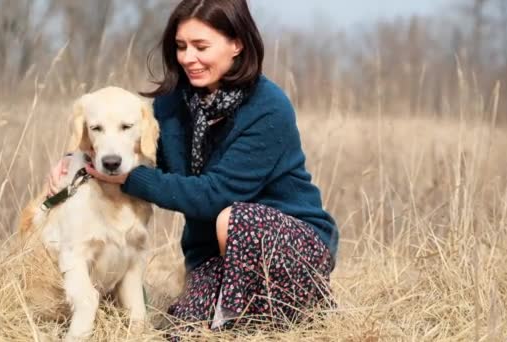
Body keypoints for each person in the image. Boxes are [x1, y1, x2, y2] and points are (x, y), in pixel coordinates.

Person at [48, 0, 339, 333]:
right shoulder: (170, 105)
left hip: (293, 244)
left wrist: (132, 179)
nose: (188, 57)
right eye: (181, 46)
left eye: (201, 46)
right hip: (213, 255)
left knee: (234, 219)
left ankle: (307, 305)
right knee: (182, 330)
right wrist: (77, 162)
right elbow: (128, 148)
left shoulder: (268, 108)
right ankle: (245, 318)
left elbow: (216, 195)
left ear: (237, 44)